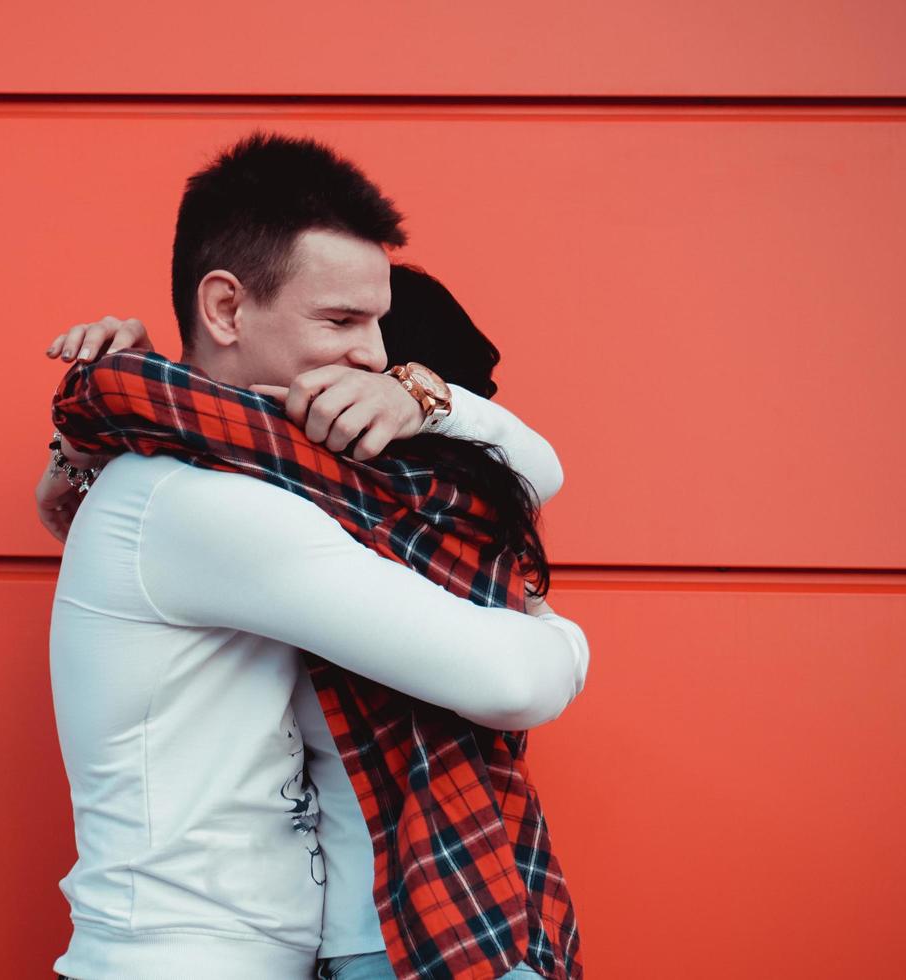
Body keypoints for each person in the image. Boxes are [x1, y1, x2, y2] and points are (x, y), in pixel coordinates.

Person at [40, 132, 589, 980]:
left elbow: (535, 470)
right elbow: (511, 682)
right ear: (224, 309)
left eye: (379, 323)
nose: (373, 354)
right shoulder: (204, 501)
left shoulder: (225, 468)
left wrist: (422, 398)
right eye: (341, 320)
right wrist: (558, 631)